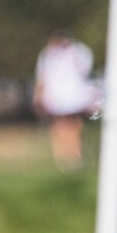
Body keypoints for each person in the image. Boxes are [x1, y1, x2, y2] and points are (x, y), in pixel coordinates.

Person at [33, 30, 97, 170]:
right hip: (55, 96)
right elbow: (42, 76)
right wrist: (38, 95)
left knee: (72, 124)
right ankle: (64, 155)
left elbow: (83, 69)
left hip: (72, 95)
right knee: (60, 125)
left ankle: (74, 152)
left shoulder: (78, 51)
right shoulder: (47, 55)